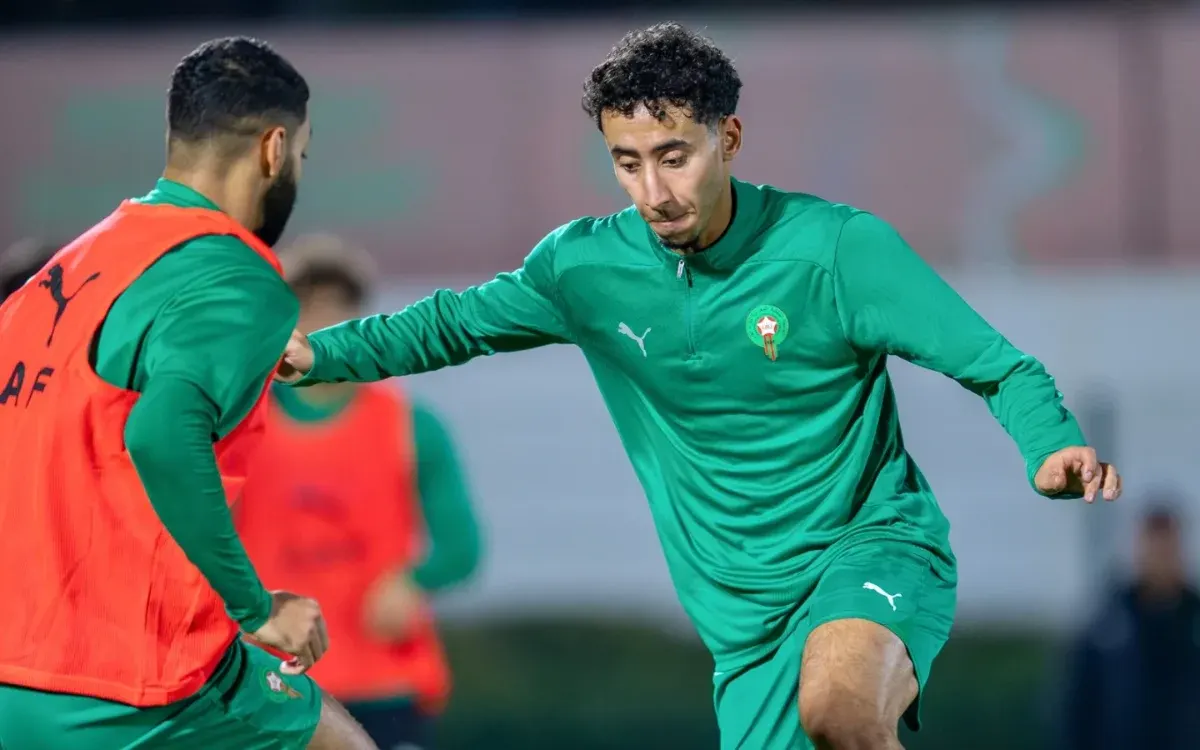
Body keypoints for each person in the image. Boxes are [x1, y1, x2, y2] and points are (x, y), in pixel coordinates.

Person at [276, 23, 1123, 750]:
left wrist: (1051, 446)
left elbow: (999, 365)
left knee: (838, 711)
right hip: (742, 621)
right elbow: (447, 325)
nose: (654, 190)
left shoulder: (834, 250)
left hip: (871, 548)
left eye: (674, 156)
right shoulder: (583, 268)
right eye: (628, 163)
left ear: (732, 137)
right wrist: (318, 355)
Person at [0, 37, 377, 750]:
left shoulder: (64, 271)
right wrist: (256, 608)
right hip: (128, 683)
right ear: (274, 149)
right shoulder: (235, 275)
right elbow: (161, 434)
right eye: (303, 154)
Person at [239, 236, 483, 749]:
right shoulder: (239, 425)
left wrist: (413, 582)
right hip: (271, 678)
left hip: (383, 681)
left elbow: (462, 549)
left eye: (338, 305)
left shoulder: (409, 425)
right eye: (309, 303)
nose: (324, 317)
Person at [1062, 503, 1200, 750]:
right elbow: (1077, 713)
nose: (1160, 558)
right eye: (1153, 547)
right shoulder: (1105, 633)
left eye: (1167, 548)